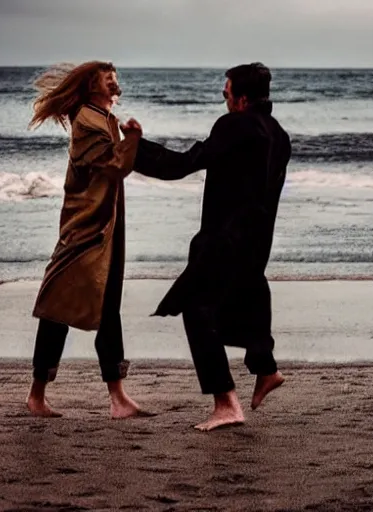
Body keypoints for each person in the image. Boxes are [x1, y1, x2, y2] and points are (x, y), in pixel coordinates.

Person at [125, 63, 291, 431]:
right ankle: (266, 370)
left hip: (226, 240)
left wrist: (134, 148)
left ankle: (226, 403)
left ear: (242, 99)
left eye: (227, 92)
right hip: (256, 241)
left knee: (196, 307)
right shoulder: (279, 134)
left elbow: (185, 164)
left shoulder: (233, 124)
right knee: (242, 302)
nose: (224, 97)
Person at [26, 61, 148, 419]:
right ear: (92, 86)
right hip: (84, 231)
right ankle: (37, 396)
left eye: (114, 76)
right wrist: (135, 141)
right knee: (58, 310)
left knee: (108, 307)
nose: (114, 80)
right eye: (106, 77)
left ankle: (118, 397)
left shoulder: (103, 118)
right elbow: (113, 167)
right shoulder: (89, 122)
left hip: (102, 228)